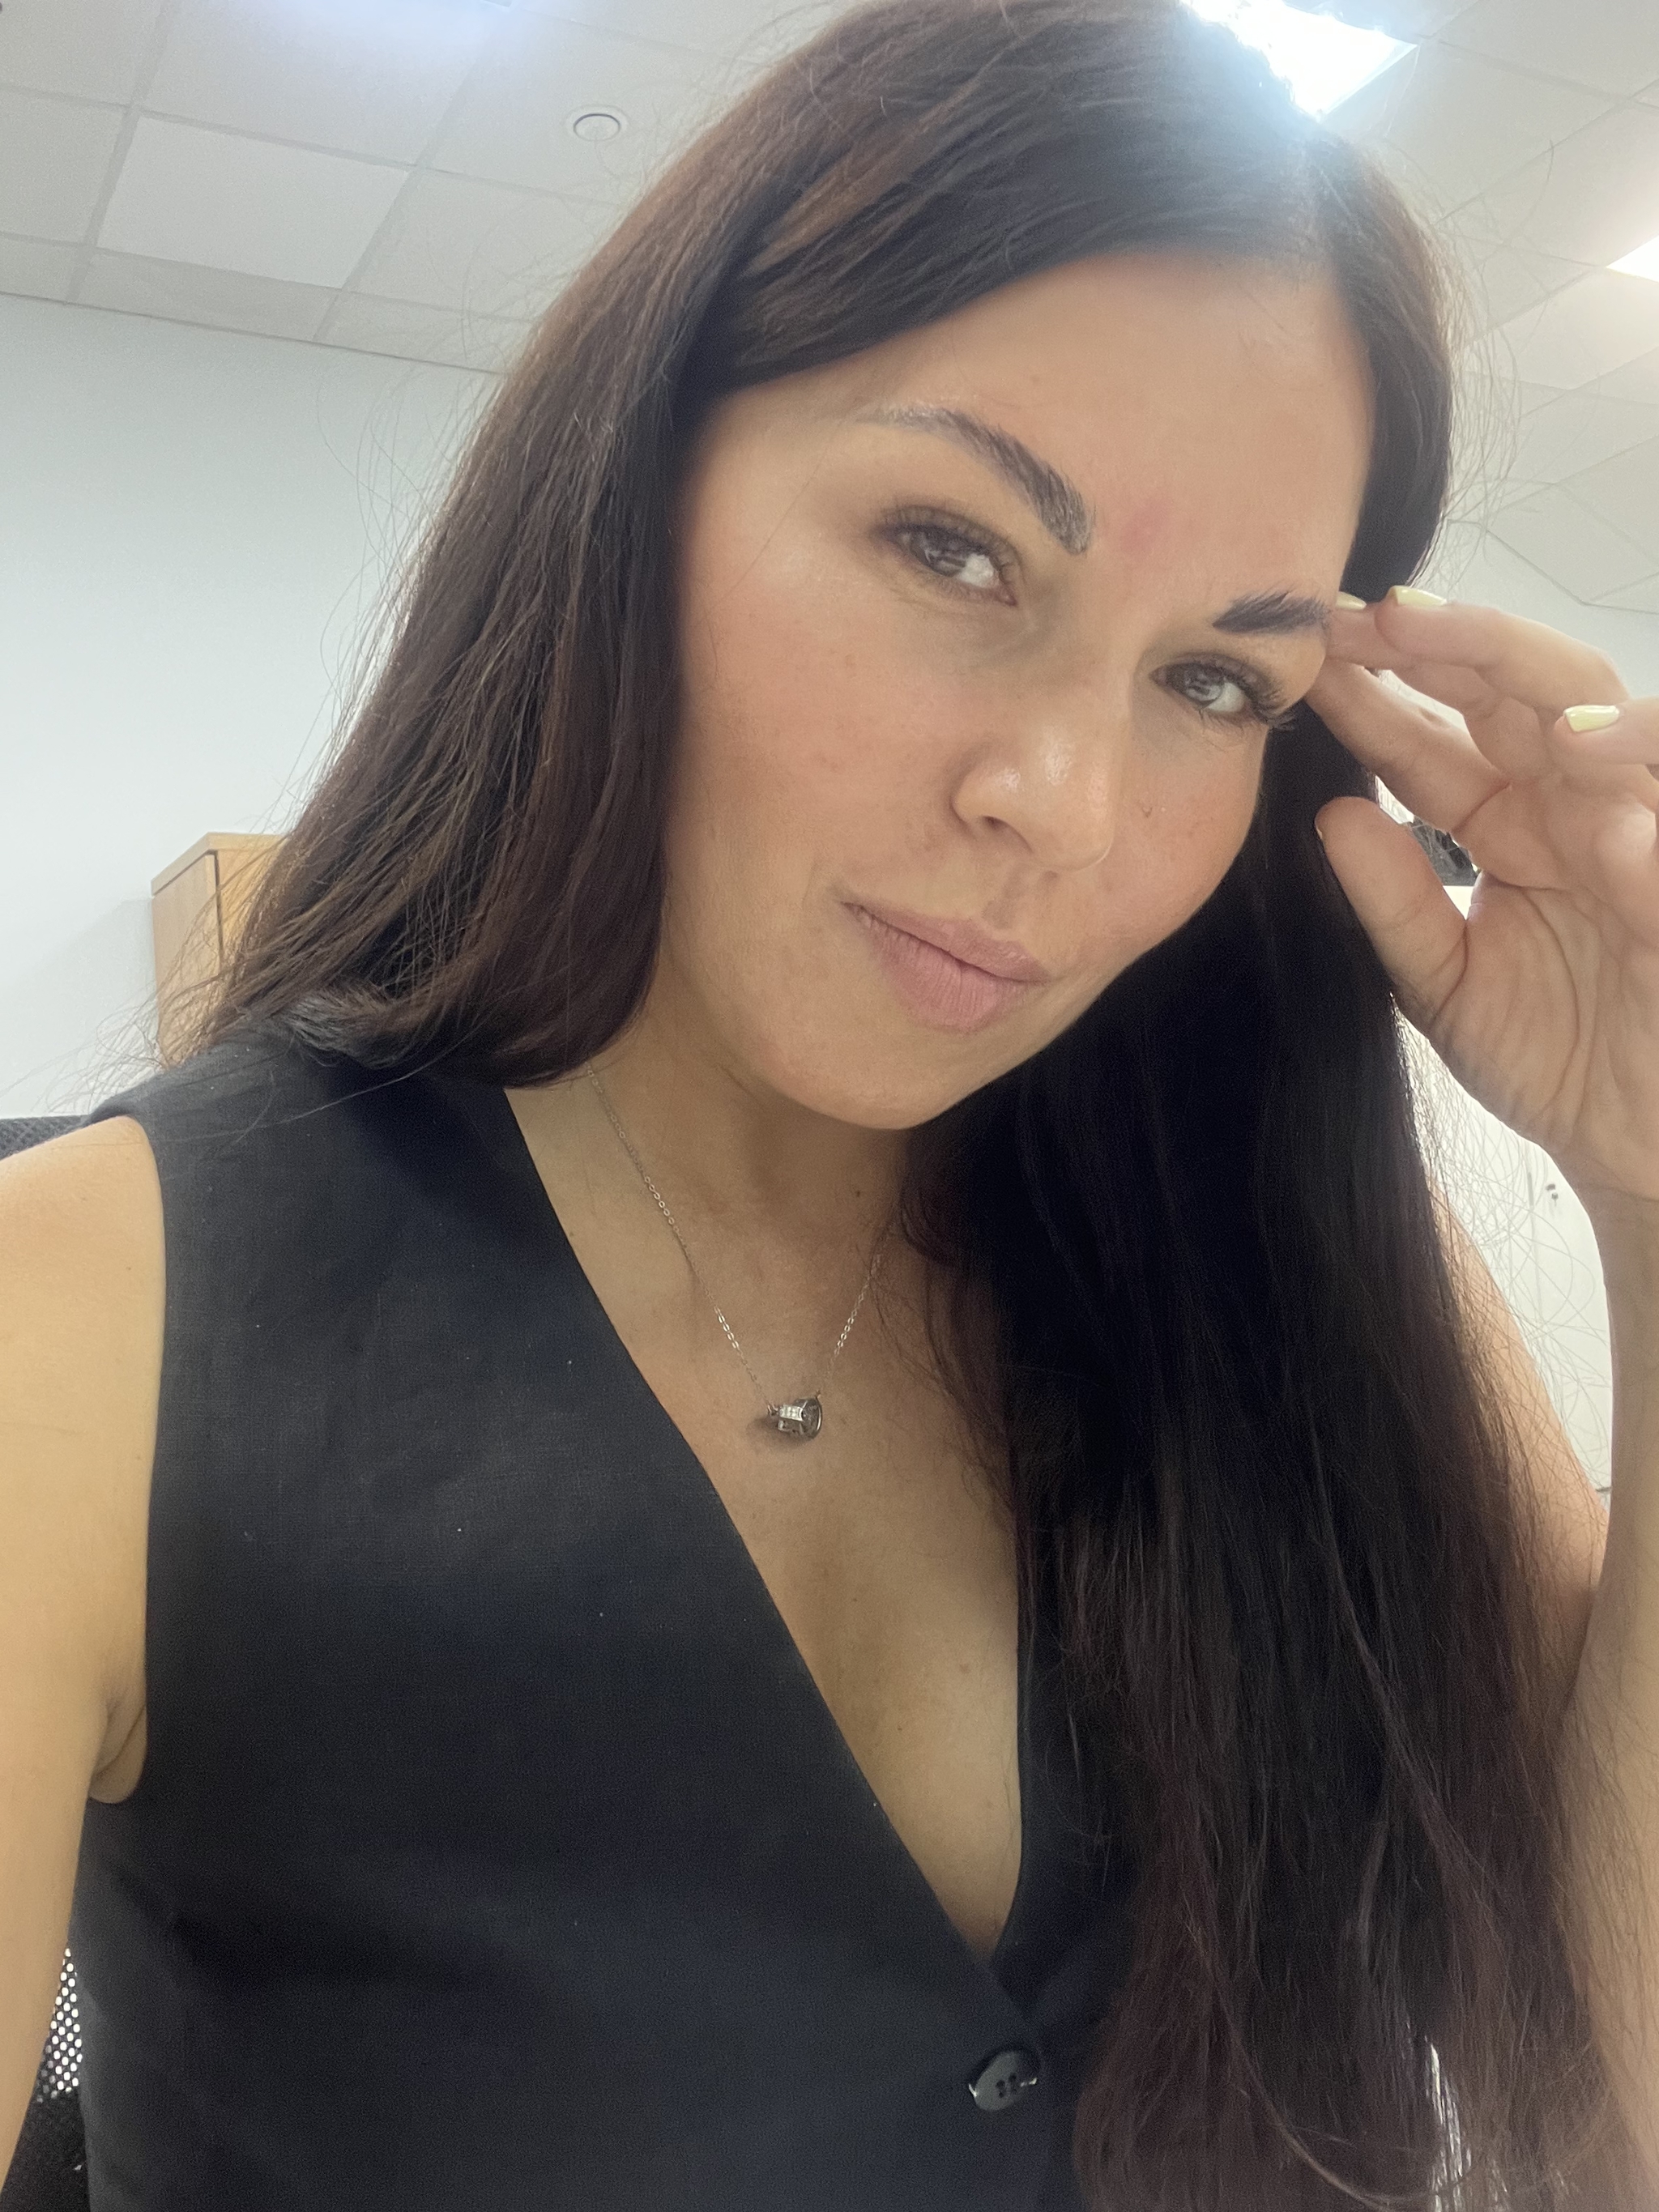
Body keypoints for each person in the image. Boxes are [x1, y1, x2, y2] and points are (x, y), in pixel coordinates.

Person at [2, 0, 1656, 2205]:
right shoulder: (86, 1320)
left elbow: (1619, 2100)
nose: (1063, 802)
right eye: (956, 549)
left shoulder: (1292, 1274)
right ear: (635, 492)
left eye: (1212, 680)